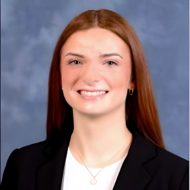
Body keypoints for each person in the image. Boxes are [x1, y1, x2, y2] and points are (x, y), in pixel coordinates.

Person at [1, 9, 189, 190]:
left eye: (110, 62)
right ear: (59, 76)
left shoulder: (178, 177)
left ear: (133, 79)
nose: (90, 76)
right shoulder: (22, 166)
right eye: (75, 62)